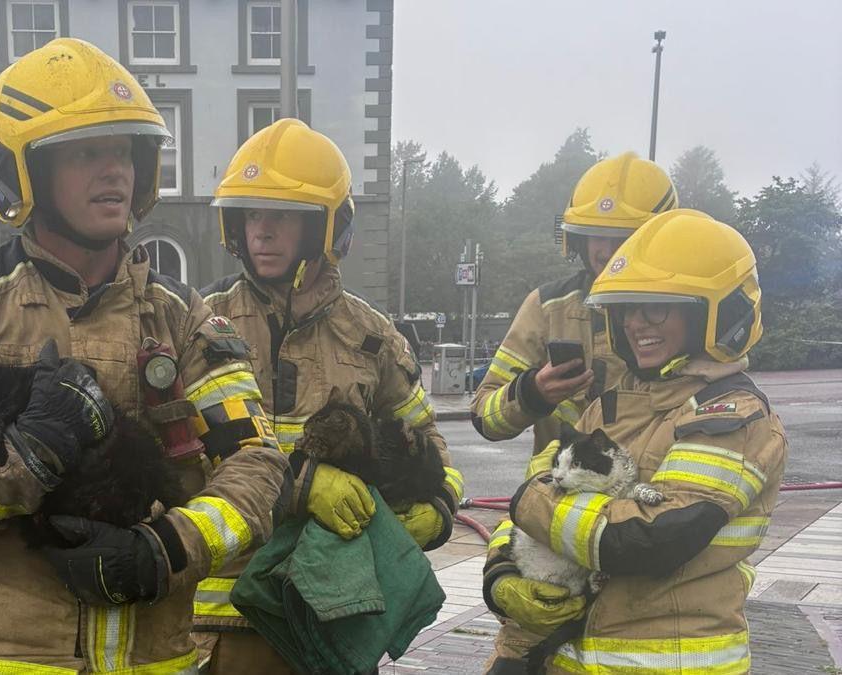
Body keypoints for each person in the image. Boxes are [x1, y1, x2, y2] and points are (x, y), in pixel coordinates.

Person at [0, 39, 289, 673]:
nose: (115, 170)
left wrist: (167, 549)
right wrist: (21, 457)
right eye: (86, 151)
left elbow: (258, 465)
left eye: (124, 150)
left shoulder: (184, 318)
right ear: (24, 171)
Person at [195, 118, 464, 673]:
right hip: (223, 622)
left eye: (282, 216)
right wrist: (300, 485)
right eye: (251, 215)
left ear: (326, 226)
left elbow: (430, 441)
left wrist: (436, 511)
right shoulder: (200, 325)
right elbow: (178, 459)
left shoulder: (371, 336)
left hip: (332, 618)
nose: (261, 232)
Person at [482, 209, 786, 673]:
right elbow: (530, 514)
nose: (634, 324)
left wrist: (530, 500)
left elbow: (646, 539)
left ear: (715, 311)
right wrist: (503, 575)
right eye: (625, 309)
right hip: (553, 655)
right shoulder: (609, 405)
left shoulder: (731, 416)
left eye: (656, 307)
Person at [471, 152, 679, 455]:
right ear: (578, 240)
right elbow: (483, 416)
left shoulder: (686, 312)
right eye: (596, 236)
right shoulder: (548, 308)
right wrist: (534, 393)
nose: (606, 252)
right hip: (561, 495)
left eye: (622, 237)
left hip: (652, 493)